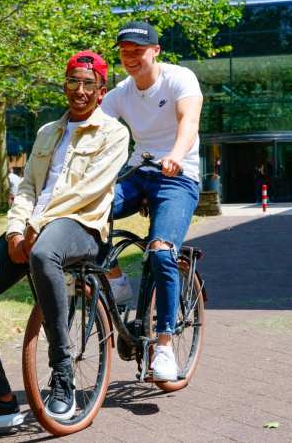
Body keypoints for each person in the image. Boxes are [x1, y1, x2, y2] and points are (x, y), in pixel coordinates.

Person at [0, 51, 128, 431]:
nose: (79, 90)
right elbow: (28, 186)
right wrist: (17, 229)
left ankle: (62, 372)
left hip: (80, 226)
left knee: (45, 252)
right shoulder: (47, 131)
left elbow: (88, 191)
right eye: (72, 82)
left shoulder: (114, 133)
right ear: (64, 85)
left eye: (88, 84)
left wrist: (38, 226)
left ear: (101, 90)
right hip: (31, 225)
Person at [100, 21, 203, 382]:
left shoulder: (180, 79)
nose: (130, 57)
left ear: (155, 51)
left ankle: (164, 346)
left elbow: (188, 121)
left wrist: (175, 153)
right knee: (86, 215)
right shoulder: (119, 94)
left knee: (161, 252)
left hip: (178, 175)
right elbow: (91, 131)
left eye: (137, 50)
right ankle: (116, 282)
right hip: (138, 171)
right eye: (124, 51)